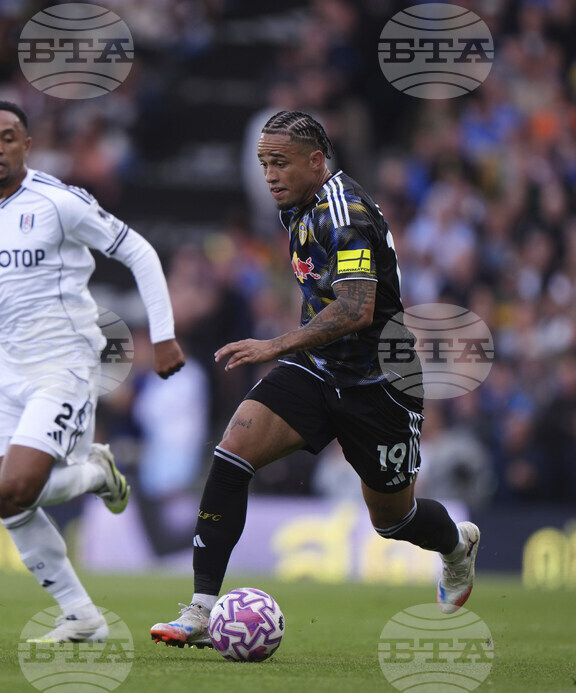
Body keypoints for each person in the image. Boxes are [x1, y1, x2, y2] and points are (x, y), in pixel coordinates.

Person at [150, 111, 480, 649]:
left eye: (279, 163)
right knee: (232, 453)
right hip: (318, 367)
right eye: (263, 164)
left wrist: (275, 344)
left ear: (316, 161)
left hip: (381, 382)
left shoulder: (345, 213)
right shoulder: (296, 207)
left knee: (393, 521)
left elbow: (355, 308)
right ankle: (200, 608)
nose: (269, 175)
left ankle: (455, 546)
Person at [0, 101, 185, 642]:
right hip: (6, 371)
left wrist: (165, 334)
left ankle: (99, 472)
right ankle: (81, 615)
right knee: (8, 503)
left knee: (13, 486)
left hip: (65, 363)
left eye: (9, 138)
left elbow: (140, 251)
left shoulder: (59, 202)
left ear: (27, 146)